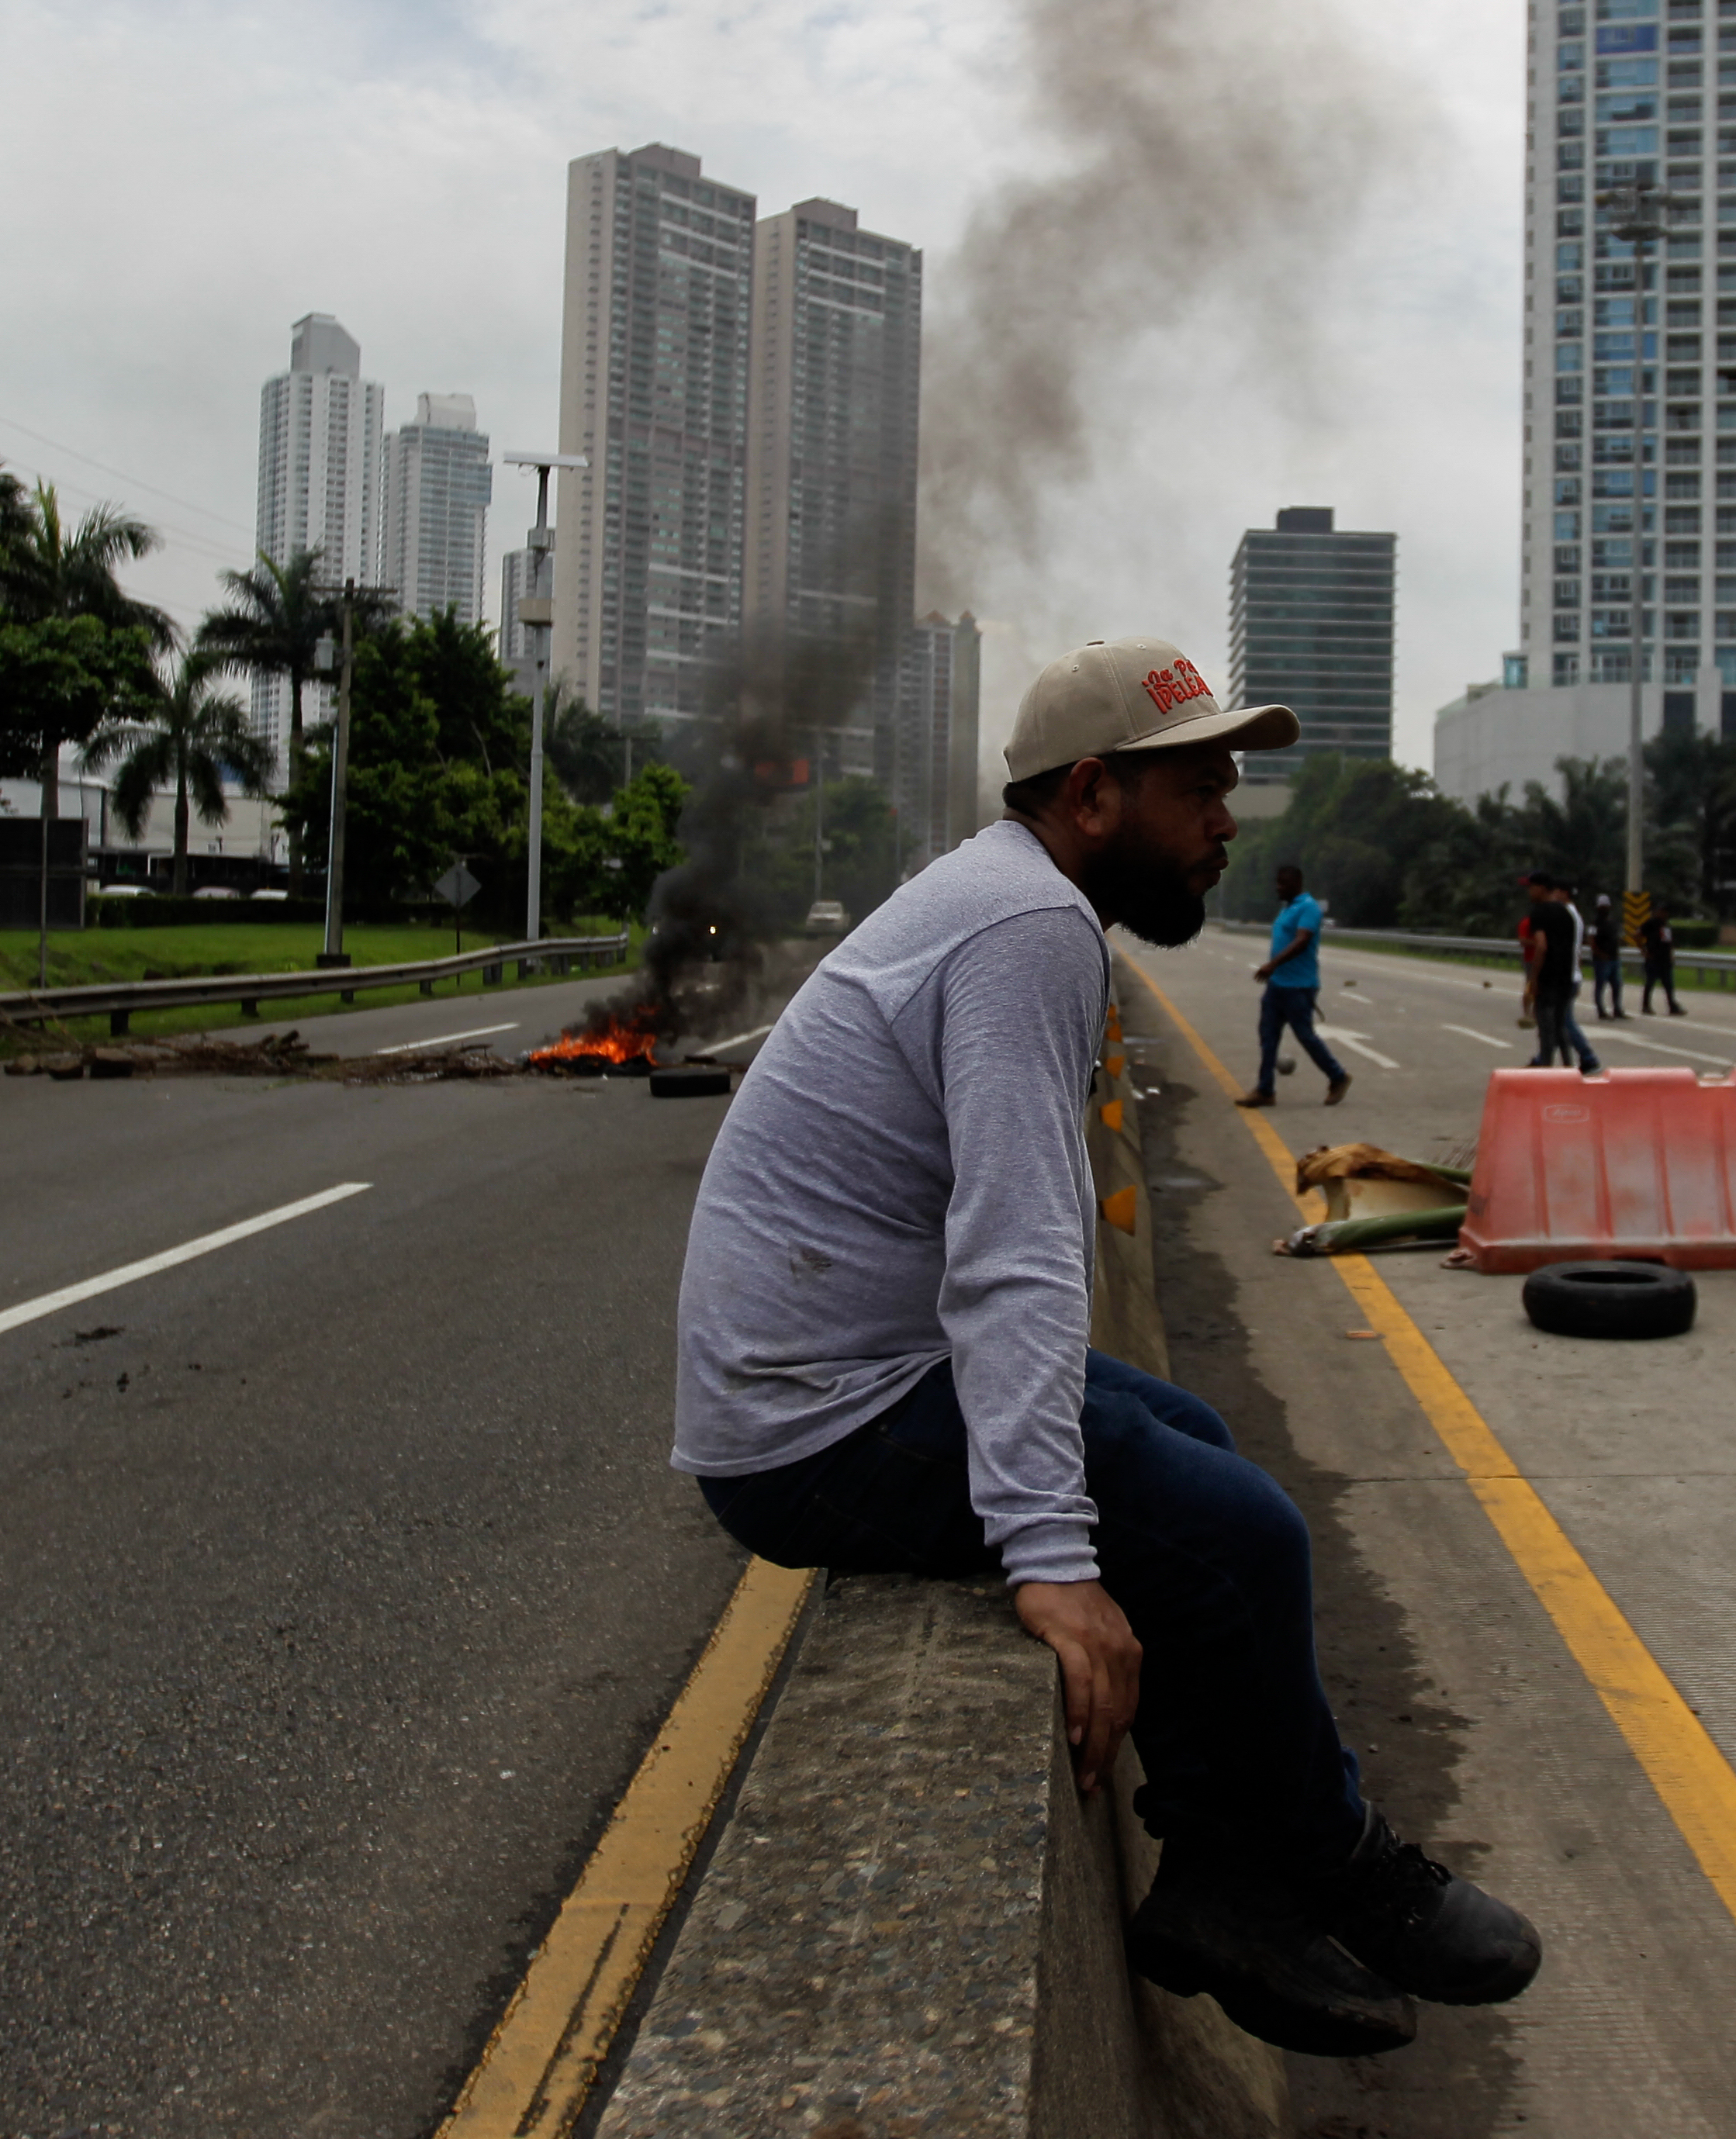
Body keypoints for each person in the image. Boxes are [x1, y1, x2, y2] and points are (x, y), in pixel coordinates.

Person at [676, 638, 1539, 2060]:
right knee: (1243, 1531)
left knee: (1189, 1439)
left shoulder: (1013, 898)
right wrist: (1050, 1558)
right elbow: (1013, 1252)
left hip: (862, 1374)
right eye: (1201, 786)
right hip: (817, 1427)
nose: (1224, 821)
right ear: (1090, 794)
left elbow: (1017, 1253)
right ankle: (1341, 1862)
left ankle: (1214, 1871)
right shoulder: (1025, 928)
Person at [1240, 862, 1350, 1110]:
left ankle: (1338, 1077)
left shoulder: (1309, 908)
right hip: (1278, 986)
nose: (1278, 888)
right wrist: (1274, 972)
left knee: (1305, 1036)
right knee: (1268, 1036)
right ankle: (1265, 1090)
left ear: (1296, 884)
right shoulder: (1287, 909)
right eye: (1277, 883)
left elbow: (1301, 942)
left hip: (1299, 987)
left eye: (1283, 883)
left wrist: (1272, 965)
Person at [1518, 871, 1603, 1076]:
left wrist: (1534, 979)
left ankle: (1547, 1071)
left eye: (1531, 887)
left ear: (1542, 888)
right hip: (1566, 978)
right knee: (1560, 1027)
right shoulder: (1568, 914)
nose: (1529, 892)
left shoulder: (1539, 913)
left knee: (1546, 1030)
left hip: (1547, 978)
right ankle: (1568, 1069)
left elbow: (1541, 946)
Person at [1588, 893, 1625, 1020]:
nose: (1605, 909)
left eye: (1606, 906)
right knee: (1601, 986)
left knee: (1617, 985)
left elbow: (1617, 937)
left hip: (1614, 958)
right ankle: (1601, 1010)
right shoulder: (1594, 923)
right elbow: (1591, 940)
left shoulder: (1613, 922)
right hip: (1602, 960)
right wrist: (1598, 953)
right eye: (1602, 906)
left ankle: (1617, 1009)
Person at [1638, 907, 1682, 1014]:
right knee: (1650, 983)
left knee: (1669, 985)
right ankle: (1646, 1006)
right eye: (1662, 912)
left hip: (1665, 959)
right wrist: (1643, 950)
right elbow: (1637, 935)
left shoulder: (1666, 925)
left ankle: (1672, 1006)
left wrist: (1671, 955)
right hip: (1653, 958)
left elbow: (1668, 942)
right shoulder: (1650, 924)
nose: (1664, 914)